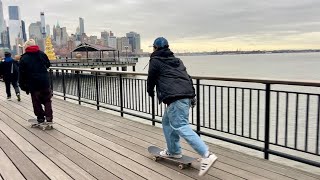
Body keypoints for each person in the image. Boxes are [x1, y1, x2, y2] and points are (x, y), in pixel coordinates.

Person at [147, 37, 218, 176]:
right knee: (167, 121)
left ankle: (207, 154)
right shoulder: (177, 61)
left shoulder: (155, 60)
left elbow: (151, 78)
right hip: (185, 95)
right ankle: (174, 151)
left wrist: (150, 91)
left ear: (155, 48)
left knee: (181, 125)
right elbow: (187, 77)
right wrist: (192, 95)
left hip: (176, 98)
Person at [19, 39, 53, 123]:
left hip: (33, 83)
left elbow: (22, 74)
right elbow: (48, 64)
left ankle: (40, 117)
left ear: (26, 47)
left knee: (36, 101)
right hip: (44, 82)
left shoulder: (24, 58)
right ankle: (49, 117)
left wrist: (23, 86)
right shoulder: (42, 54)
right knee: (47, 100)